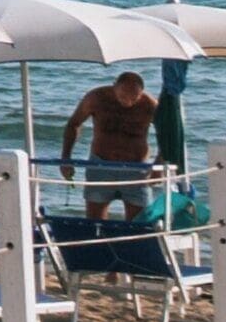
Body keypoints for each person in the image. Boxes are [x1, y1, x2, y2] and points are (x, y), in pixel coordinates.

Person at [59, 70, 162, 219]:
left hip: (136, 168)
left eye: (134, 98)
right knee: (95, 221)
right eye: (123, 96)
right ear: (114, 87)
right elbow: (73, 124)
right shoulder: (96, 98)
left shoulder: (150, 105)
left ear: (141, 93)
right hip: (101, 164)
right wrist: (65, 159)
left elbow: (166, 135)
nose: (128, 101)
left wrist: (158, 164)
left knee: (139, 222)